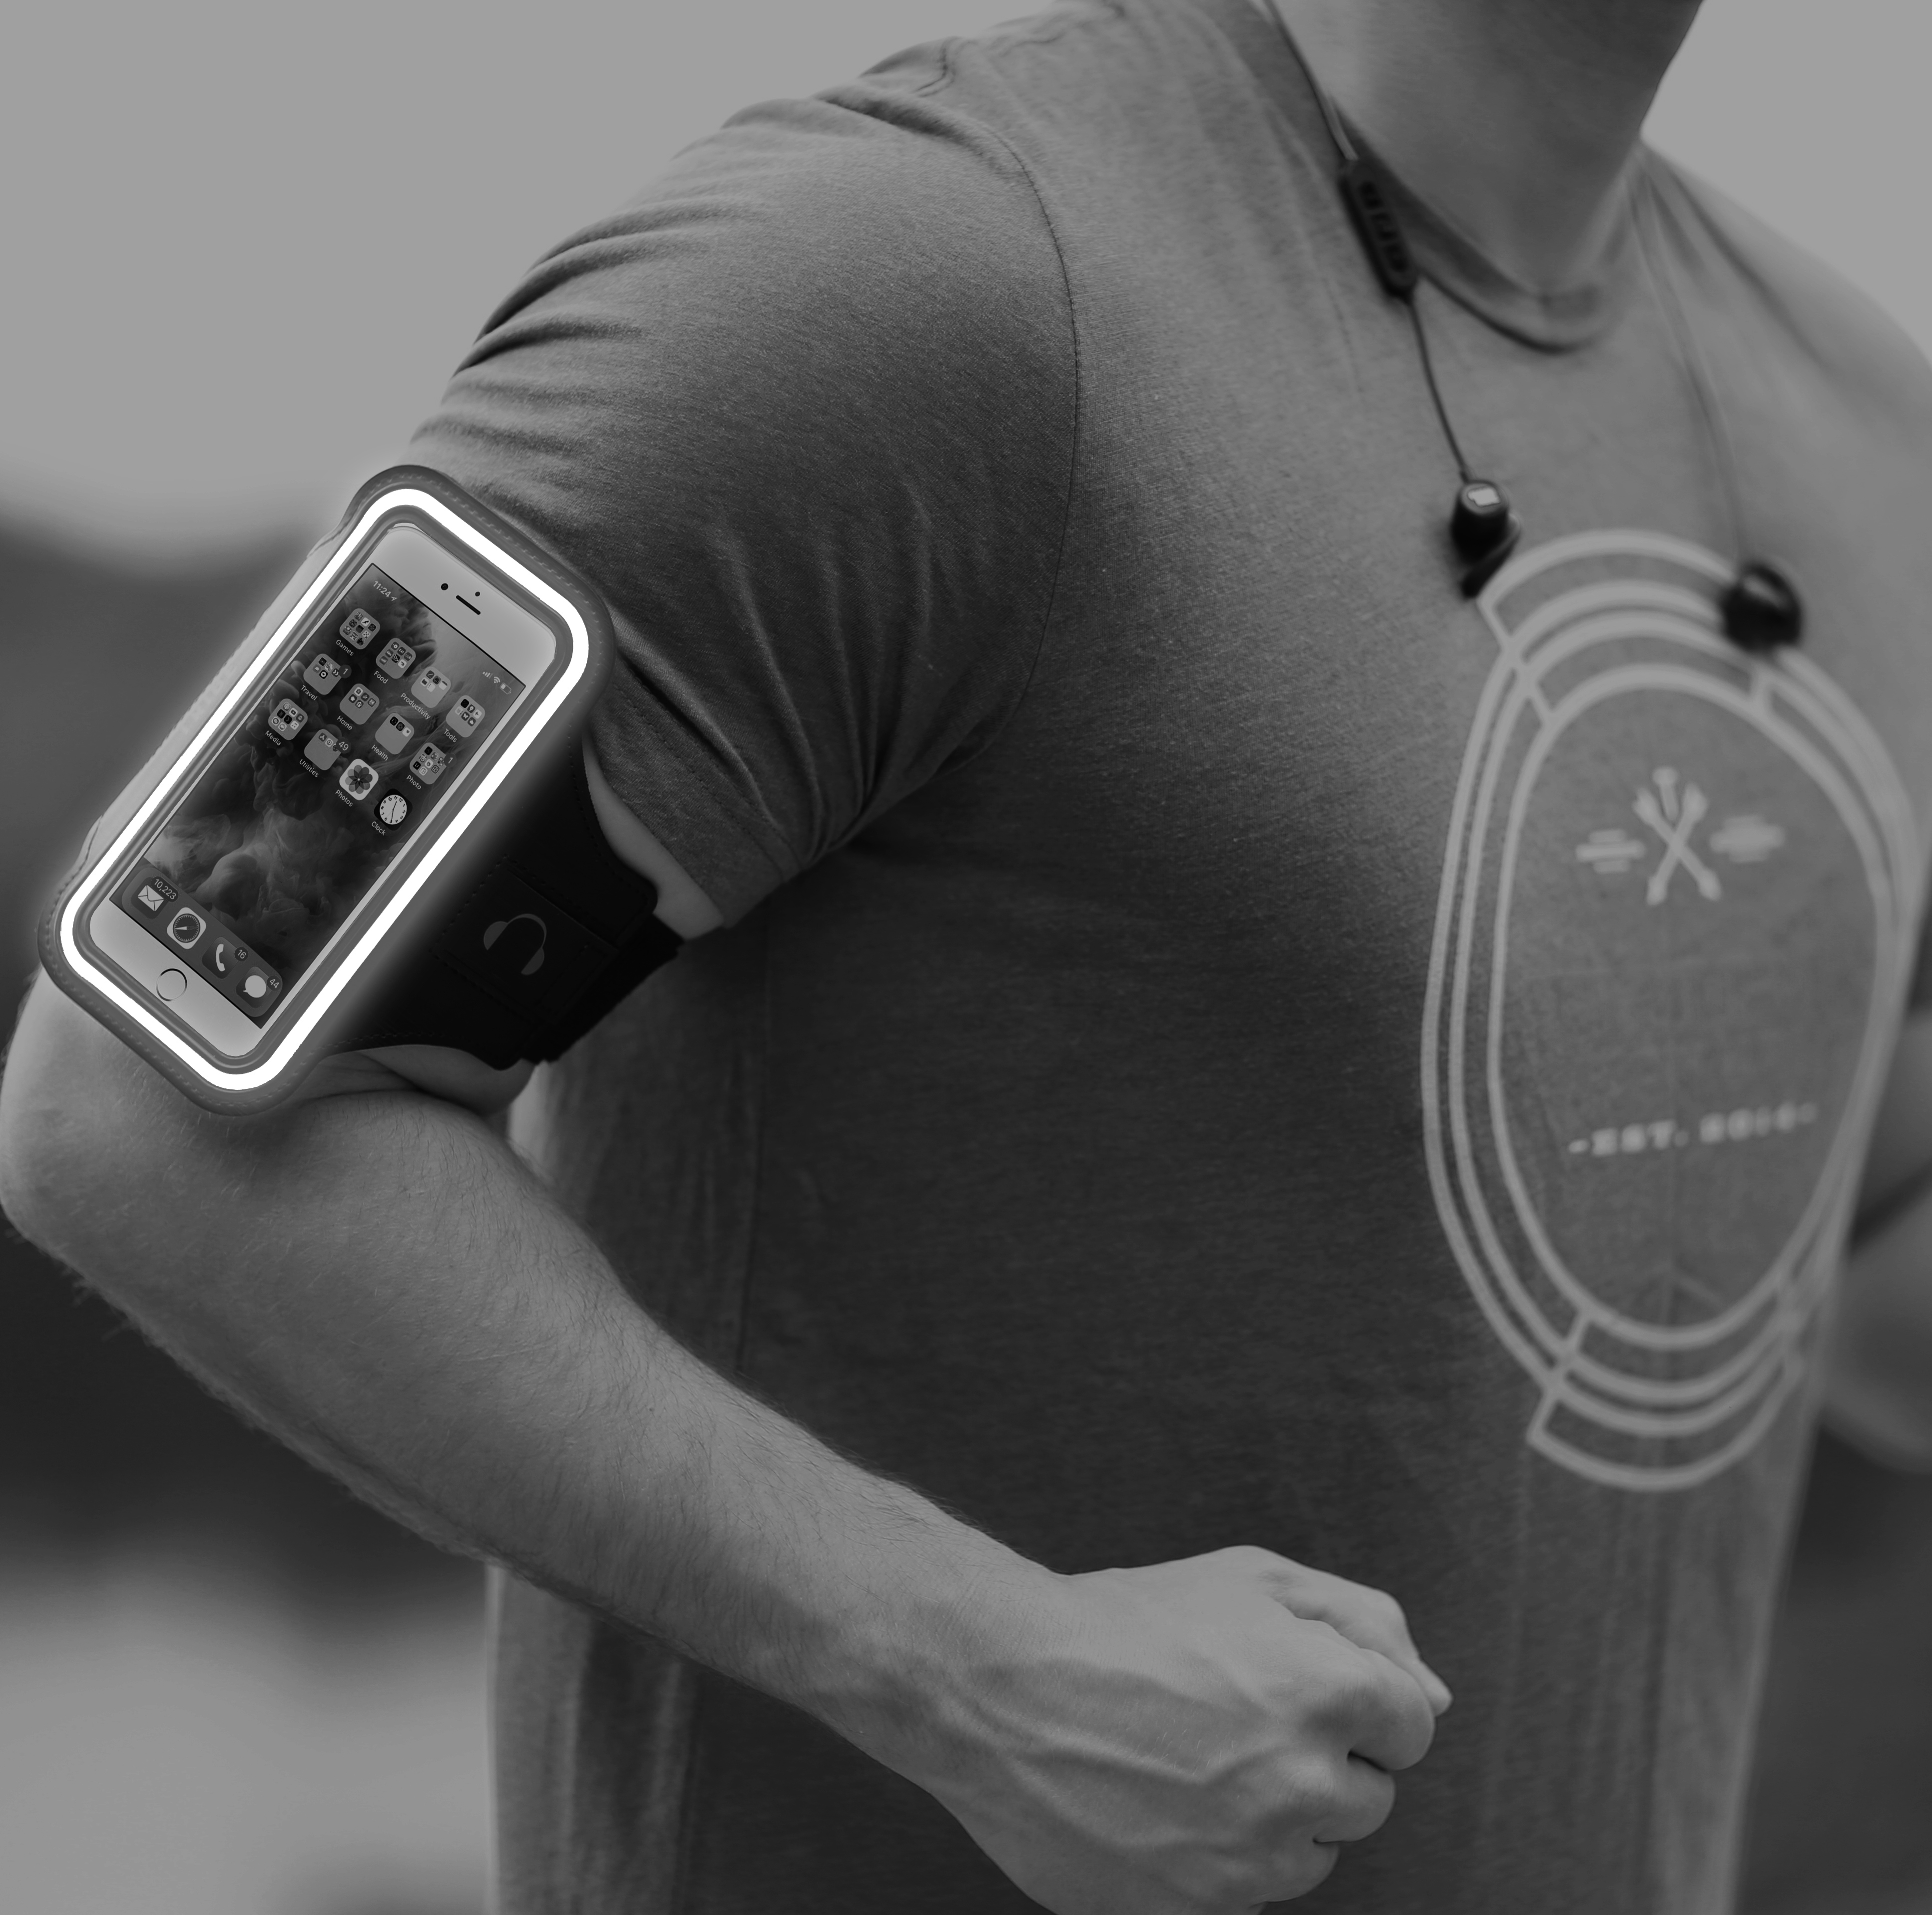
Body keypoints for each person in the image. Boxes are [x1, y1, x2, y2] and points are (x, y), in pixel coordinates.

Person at [6, 0, 1932, 1907]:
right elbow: (139, 1102)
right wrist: (968, 1667)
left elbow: (1834, 1235)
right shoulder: (882, 292)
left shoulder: (1864, 423)